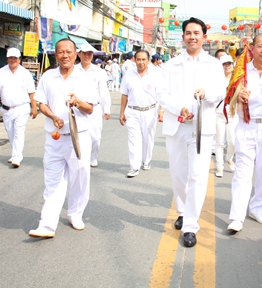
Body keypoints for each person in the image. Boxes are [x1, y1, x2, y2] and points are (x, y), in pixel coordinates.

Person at [157, 17, 226, 247]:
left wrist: (206, 93)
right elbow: (162, 94)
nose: (192, 37)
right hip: (176, 126)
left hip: (202, 128)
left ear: (204, 37)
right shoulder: (171, 64)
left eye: (197, 33)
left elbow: (220, 92)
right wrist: (180, 108)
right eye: (188, 33)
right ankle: (183, 211)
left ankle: (190, 226)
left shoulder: (213, 65)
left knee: (196, 176)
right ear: (183, 36)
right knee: (178, 175)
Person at [28, 38, 98, 238]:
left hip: (79, 137)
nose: (65, 55)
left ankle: (75, 214)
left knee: (80, 178)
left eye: (69, 52)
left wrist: (77, 102)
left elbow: (90, 108)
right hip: (55, 137)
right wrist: (52, 116)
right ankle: (47, 225)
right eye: (61, 52)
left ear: (75, 54)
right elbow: (41, 103)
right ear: (55, 55)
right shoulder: (48, 77)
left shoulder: (84, 78)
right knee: (53, 181)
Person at [226, 34, 262, 233]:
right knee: (242, 172)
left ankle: (258, 208)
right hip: (246, 124)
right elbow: (229, 99)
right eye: (260, 46)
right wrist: (238, 95)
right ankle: (236, 216)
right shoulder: (241, 70)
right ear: (252, 48)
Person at [0, 47, 37, 168]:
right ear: (7, 59)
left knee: (18, 131)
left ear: (19, 59)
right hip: (6, 108)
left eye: (15, 58)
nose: (13, 60)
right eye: (10, 58)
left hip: (22, 108)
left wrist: (34, 107)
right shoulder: (1, 72)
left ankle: (17, 157)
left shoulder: (25, 74)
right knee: (10, 131)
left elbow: (32, 93)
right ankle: (14, 153)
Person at [120, 50, 159, 178]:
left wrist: (162, 111)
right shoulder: (129, 75)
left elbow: (161, 94)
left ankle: (146, 161)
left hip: (150, 111)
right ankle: (134, 167)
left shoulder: (155, 74)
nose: (141, 62)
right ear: (134, 60)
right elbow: (124, 94)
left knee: (148, 139)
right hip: (132, 111)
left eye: (144, 59)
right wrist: (122, 112)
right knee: (133, 139)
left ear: (148, 60)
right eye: (138, 59)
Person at [76, 43, 111, 167]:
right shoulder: (73, 70)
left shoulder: (99, 71)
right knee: (78, 134)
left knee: (96, 136)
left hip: (94, 108)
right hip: (78, 108)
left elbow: (104, 91)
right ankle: (81, 156)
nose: (87, 56)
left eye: (89, 54)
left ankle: (93, 157)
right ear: (79, 54)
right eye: (84, 53)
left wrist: (106, 108)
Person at [215, 54, 238, 177]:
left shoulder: (237, 80)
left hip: (232, 114)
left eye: (229, 63)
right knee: (219, 143)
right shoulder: (216, 80)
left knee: (232, 142)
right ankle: (219, 167)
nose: (227, 66)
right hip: (219, 114)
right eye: (224, 64)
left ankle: (229, 158)